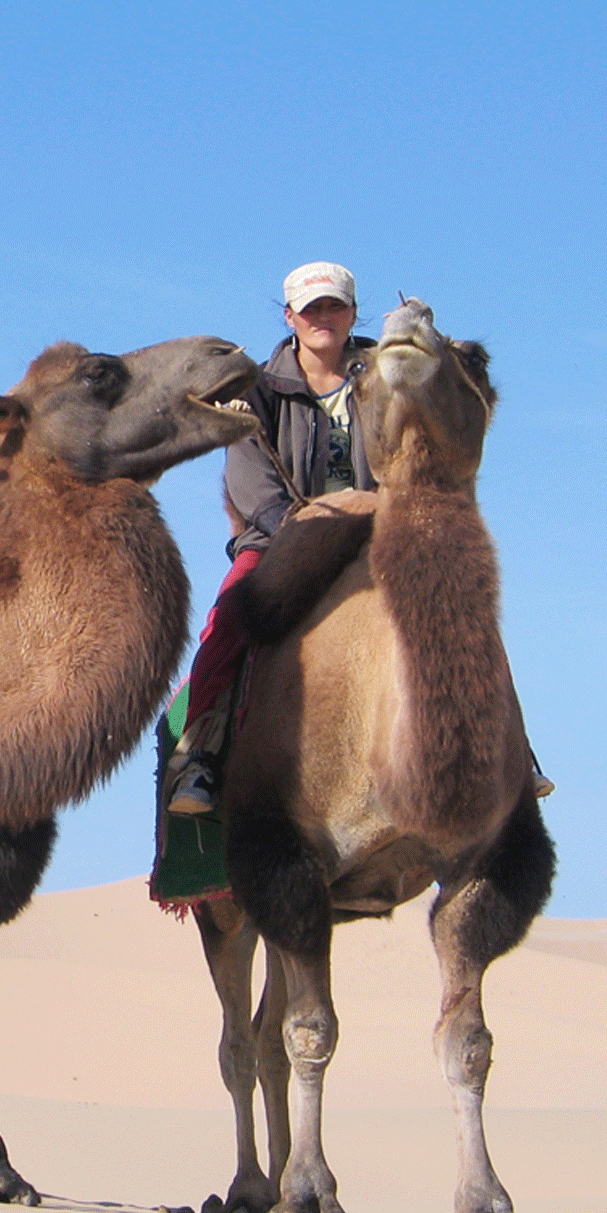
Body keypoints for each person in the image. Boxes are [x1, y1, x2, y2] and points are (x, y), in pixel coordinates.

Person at [165, 261, 552, 814]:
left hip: (384, 530)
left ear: (352, 313)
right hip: (284, 539)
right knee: (231, 616)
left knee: (461, 607)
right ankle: (199, 751)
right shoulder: (258, 390)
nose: (322, 317)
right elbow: (250, 483)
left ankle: (513, 755)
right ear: (290, 316)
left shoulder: (392, 372)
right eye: (311, 308)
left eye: (334, 306)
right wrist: (304, 529)